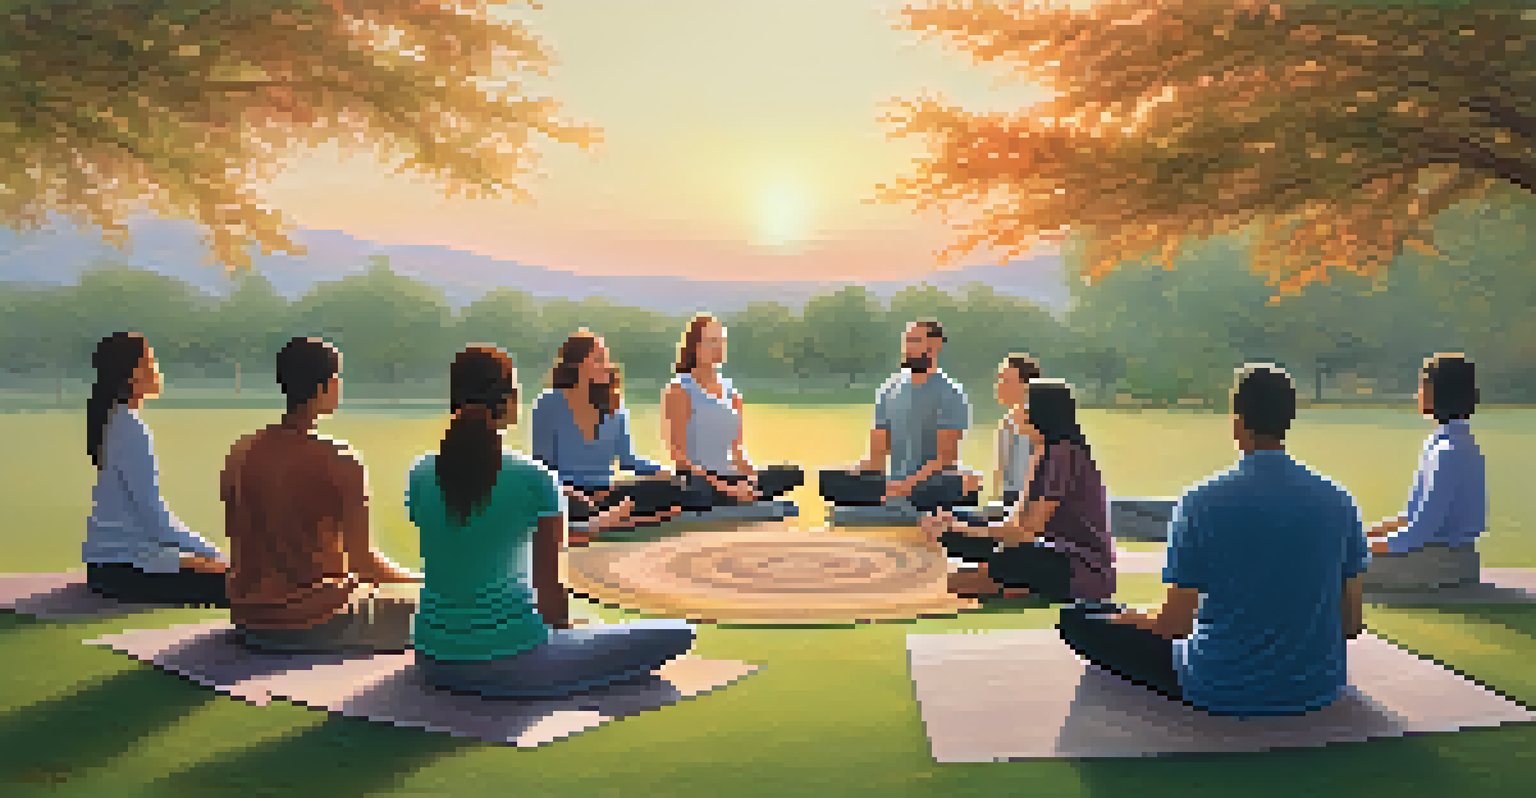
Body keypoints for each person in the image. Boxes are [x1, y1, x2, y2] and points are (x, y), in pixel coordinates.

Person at [1058, 364, 1369, 716]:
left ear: (1237, 423)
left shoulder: (1201, 501)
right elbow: (1351, 623)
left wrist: (1123, 618)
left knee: (1078, 618)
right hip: (1318, 684)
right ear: (1289, 420)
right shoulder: (1339, 500)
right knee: (1107, 613)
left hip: (1221, 681)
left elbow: (1172, 624)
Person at [409, 346, 696, 699]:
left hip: (431, 656)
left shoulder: (419, 473)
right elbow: (550, 590)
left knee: (587, 635)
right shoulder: (535, 478)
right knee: (680, 632)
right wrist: (566, 635)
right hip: (513, 660)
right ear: (510, 400)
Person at [221, 337, 423, 654]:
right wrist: (425, 582)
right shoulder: (339, 459)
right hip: (317, 622)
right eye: (338, 378)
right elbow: (365, 564)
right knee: (455, 614)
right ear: (328, 385)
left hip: (248, 618)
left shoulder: (241, 451)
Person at [924, 378, 1114, 604]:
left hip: (1076, 565)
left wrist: (960, 528)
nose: (1016, 411)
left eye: (1023, 406)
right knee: (957, 532)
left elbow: (1025, 532)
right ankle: (1009, 581)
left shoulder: (1063, 456)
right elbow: (1016, 522)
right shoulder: (1042, 453)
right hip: (1042, 549)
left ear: (1041, 412)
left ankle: (1012, 582)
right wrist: (957, 526)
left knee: (962, 578)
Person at [82, 332, 229, 606]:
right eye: (150, 362)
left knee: (241, 578)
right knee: (253, 587)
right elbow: (156, 521)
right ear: (132, 375)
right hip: (126, 569)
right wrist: (216, 554)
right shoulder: (130, 428)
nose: (157, 369)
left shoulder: (113, 420)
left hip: (111, 565)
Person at [819, 319, 980, 514]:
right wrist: (850, 473)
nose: (909, 347)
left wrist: (903, 487)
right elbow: (876, 457)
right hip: (893, 484)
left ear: (935, 346)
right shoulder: (889, 390)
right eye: (907, 340)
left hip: (930, 488)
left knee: (949, 483)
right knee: (829, 480)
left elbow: (945, 459)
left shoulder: (950, 393)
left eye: (916, 340)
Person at [532, 330, 686, 531]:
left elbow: (627, 459)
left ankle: (606, 517)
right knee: (563, 503)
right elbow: (543, 467)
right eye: (598, 359)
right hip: (567, 492)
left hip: (606, 492)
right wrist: (567, 490)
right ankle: (616, 517)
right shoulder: (548, 404)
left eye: (606, 359)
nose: (607, 365)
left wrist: (664, 473)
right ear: (577, 364)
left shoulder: (615, 404)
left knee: (672, 488)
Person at [1363, 354, 1485, 587]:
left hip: (1441, 564)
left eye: (1420, 386)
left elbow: (1417, 533)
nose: (1416, 394)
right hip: (1440, 557)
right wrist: (1361, 535)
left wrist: (1353, 546)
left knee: (1328, 565)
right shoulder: (1445, 442)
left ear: (1431, 392)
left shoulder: (1448, 451)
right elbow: (1412, 518)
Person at [662, 314, 804, 511]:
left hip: (730, 475)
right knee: (695, 491)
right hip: (697, 480)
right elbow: (678, 456)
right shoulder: (679, 389)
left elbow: (737, 450)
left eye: (721, 341)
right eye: (712, 341)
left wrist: (752, 478)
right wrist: (725, 487)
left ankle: (744, 494)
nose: (718, 347)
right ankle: (734, 496)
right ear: (695, 347)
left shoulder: (732, 393)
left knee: (792, 474)